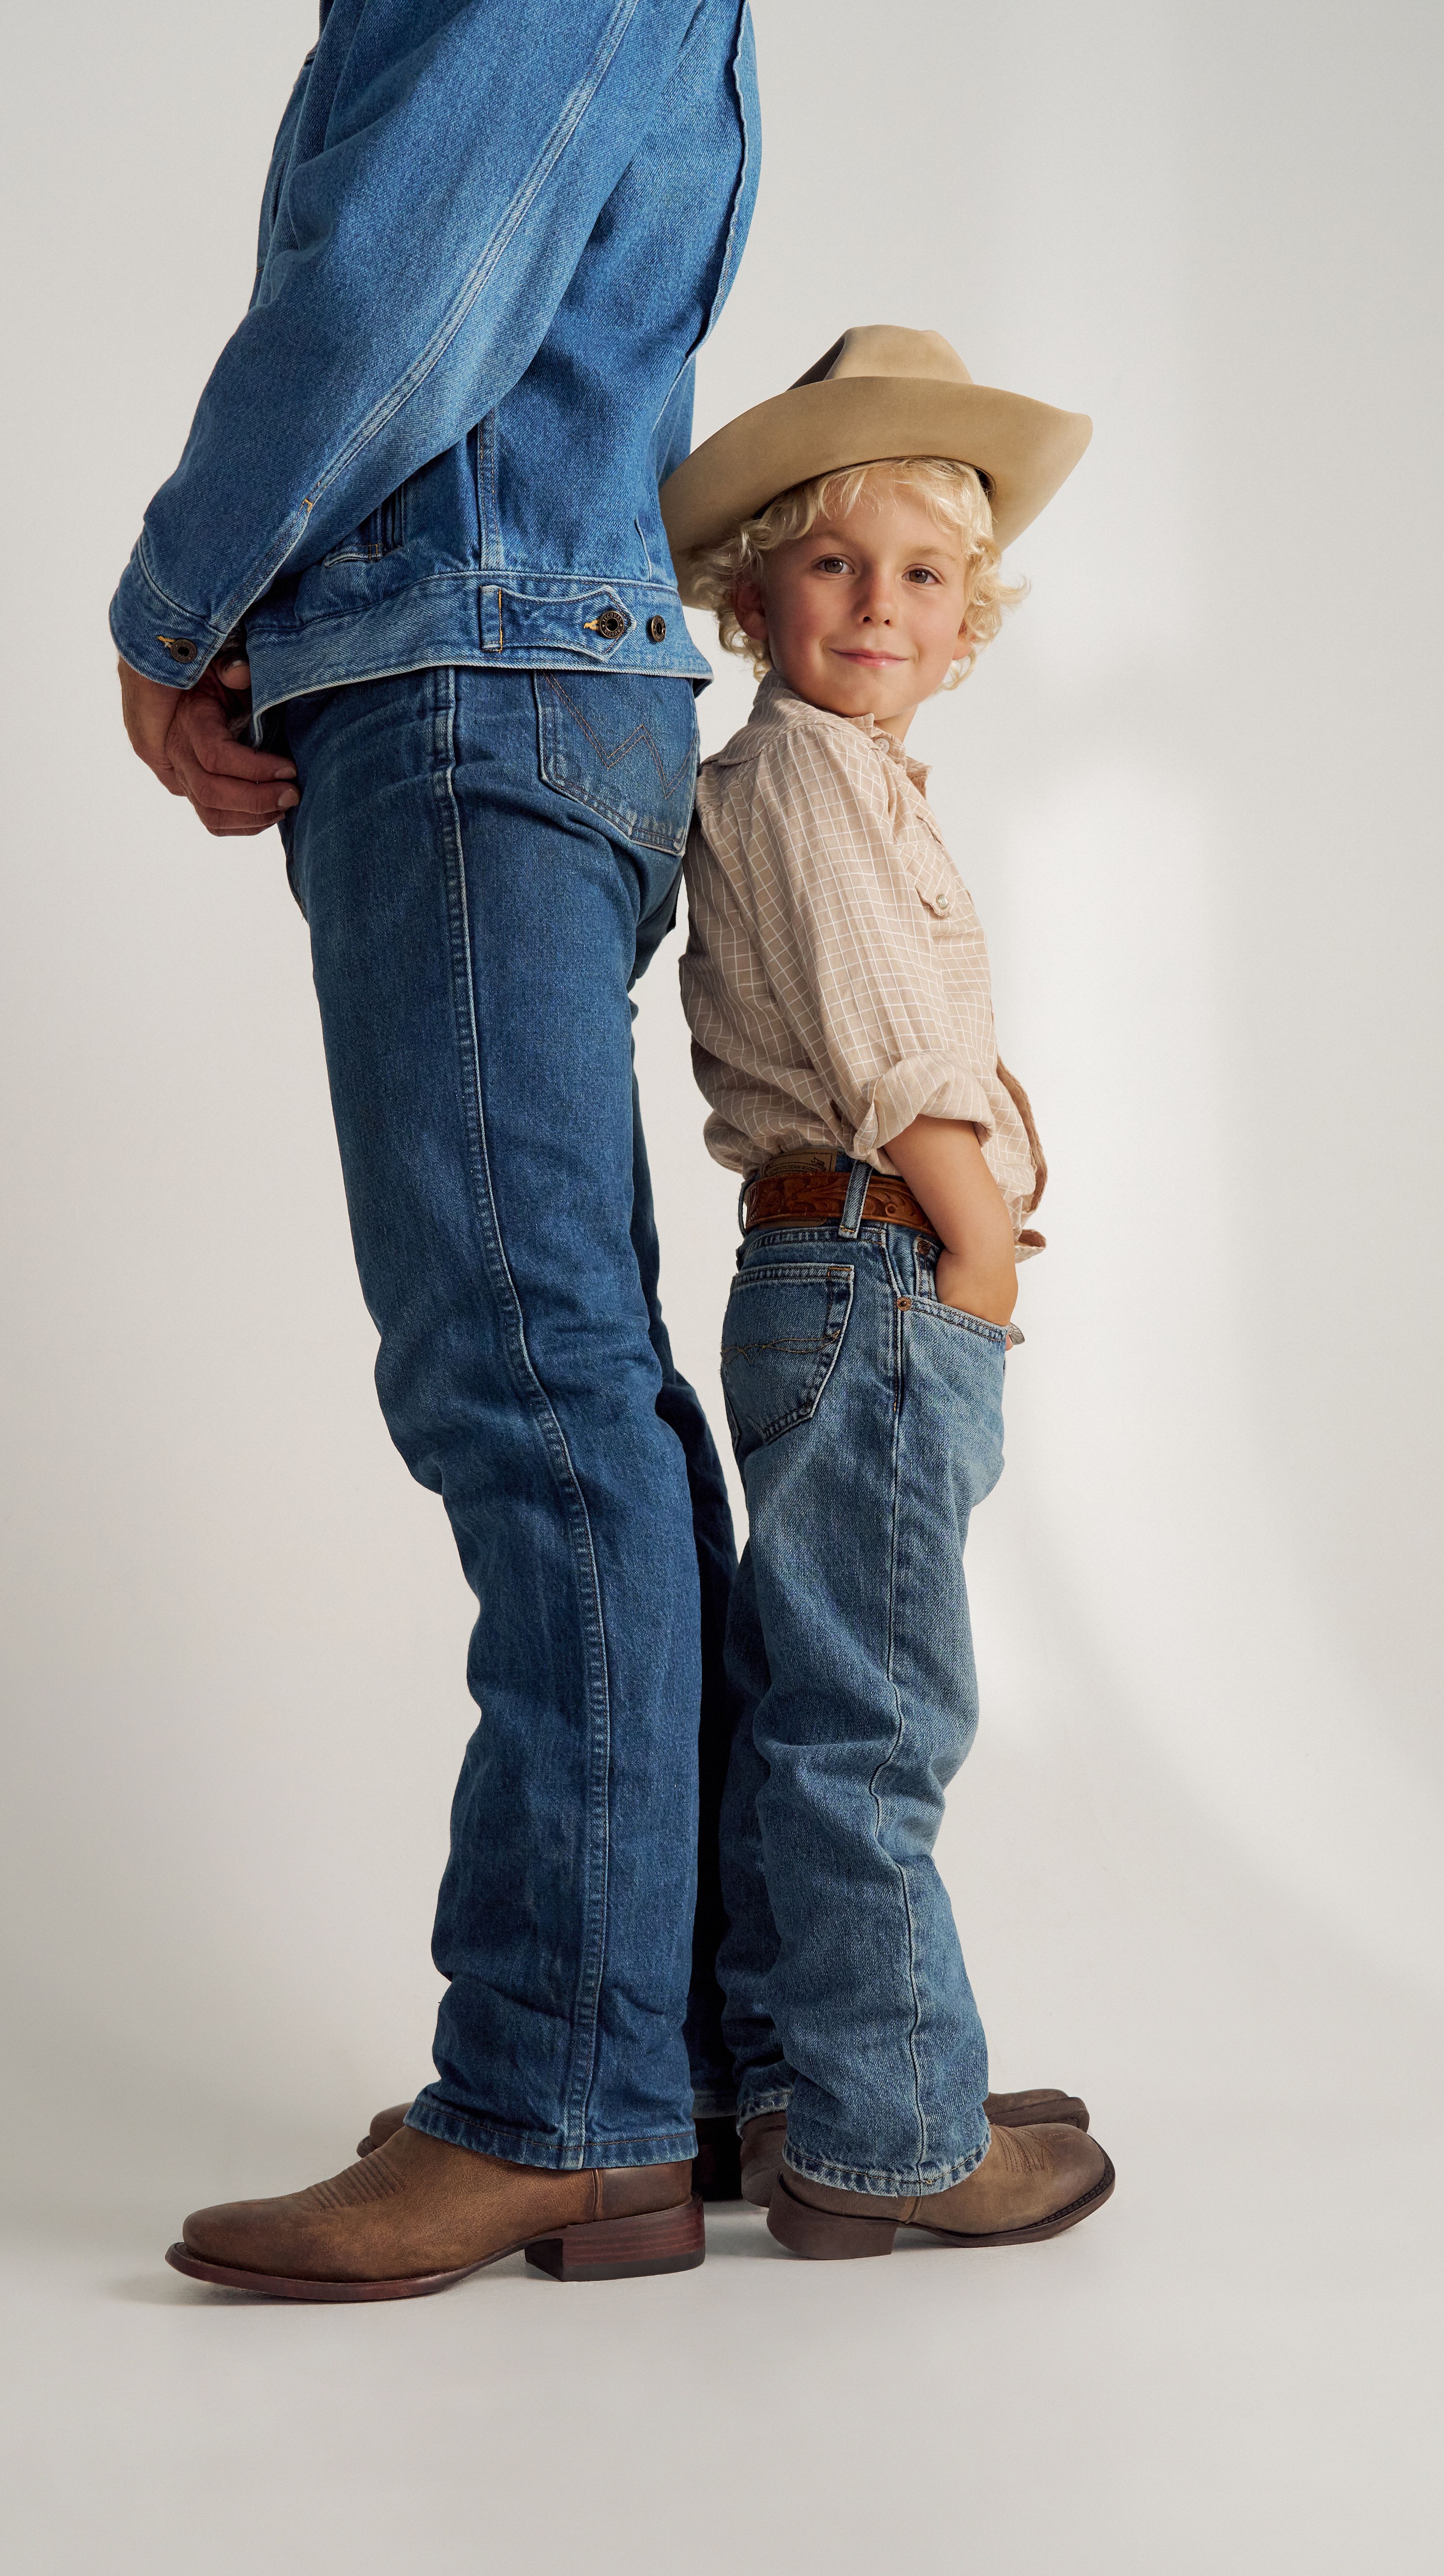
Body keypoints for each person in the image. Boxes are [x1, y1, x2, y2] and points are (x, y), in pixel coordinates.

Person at [121, 0, 762, 2304]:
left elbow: (398, 295)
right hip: (517, 674)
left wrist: (177, 601)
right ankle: (727, 2058)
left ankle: (564, 2097)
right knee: (585, 1377)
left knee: (527, 1387)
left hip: (469, 680)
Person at [662, 326, 1116, 2258]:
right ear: (753, 593)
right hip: (874, 1261)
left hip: (834, 1266)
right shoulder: (813, 784)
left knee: (815, 1690)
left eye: (922, 573)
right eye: (833, 562)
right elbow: (883, 1048)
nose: (878, 602)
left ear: (967, 617)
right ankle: (887, 2133)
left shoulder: (851, 779)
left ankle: (810, 2071)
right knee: (877, 1709)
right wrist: (982, 1239)